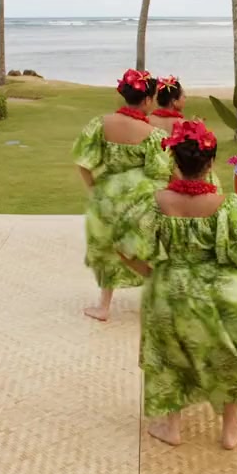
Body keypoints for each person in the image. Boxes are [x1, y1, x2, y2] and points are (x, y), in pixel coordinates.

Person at [112, 121, 237, 450]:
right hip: (221, 291)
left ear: (174, 161)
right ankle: (230, 428)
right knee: (226, 356)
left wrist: (152, 273)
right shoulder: (229, 205)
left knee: (172, 356)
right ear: (210, 163)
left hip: (170, 290)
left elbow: (122, 246)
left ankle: (172, 426)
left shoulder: (155, 201)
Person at [72, 69, 172, 322]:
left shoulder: (100, 124)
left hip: (105, 199)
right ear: (147, 100)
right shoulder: (152, 134)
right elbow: (160, 172)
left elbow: (83, 162)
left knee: (108, 250)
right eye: (153, 98)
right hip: (141, 200)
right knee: (145, 250)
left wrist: (95, 190)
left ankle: (104, 307)